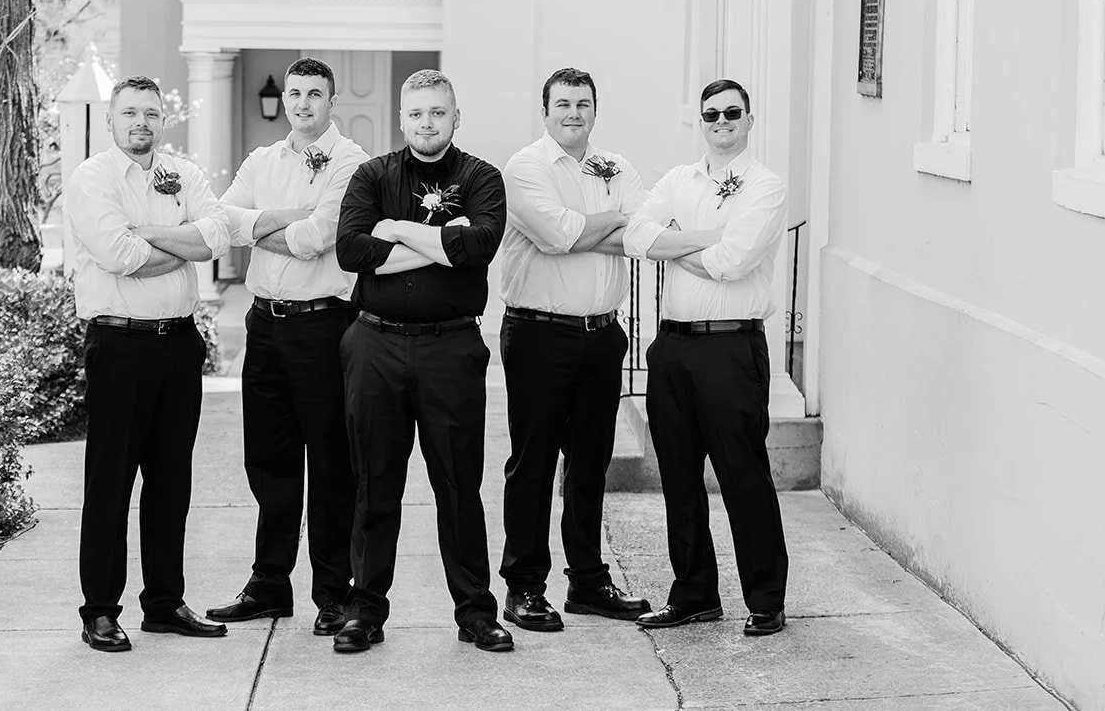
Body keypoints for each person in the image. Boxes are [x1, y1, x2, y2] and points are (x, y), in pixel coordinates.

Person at [331, 69, 515, 654]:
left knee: (459, 485)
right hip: (374, 344)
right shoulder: (371, 175)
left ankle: (475, 611)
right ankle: (364, 609)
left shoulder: (481, 177)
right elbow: (352, 251)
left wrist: (397, 234)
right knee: (373, 484)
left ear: (455, 118)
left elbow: (479, 246)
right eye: (416, 114)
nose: (427, 123)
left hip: (452, 347)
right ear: (402, 118)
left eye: (438, 113)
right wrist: (440, 243)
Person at [62, 75, 231, 652]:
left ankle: (163, 602)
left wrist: (155, 236)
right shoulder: (92, 179)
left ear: (164, 120)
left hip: (180, 345)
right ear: (111, 121)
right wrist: (178, 241)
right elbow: (119, 255)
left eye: (151, 114)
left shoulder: (184, 173)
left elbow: (216, 236)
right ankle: (101, 611)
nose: (141, 122)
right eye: (130, 112)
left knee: (170, 482)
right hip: (120, 347)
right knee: (111, 482)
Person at [207, 58, 370, 637]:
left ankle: (333, 591)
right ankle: (270, 584)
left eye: (313, 94)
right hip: (265, 328)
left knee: (330, 463)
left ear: (331, 101)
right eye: (294, 93)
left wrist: (260, 227)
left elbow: (314, 239)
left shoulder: (350, 161)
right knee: (269, 460)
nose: (300, 103)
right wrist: (278, 220)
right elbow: (222, 222)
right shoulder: (262, 160)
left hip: (323, 328)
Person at [622, 78, 790, 638]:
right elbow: (636, 237)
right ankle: (694, 594)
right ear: (701, 120)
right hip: (671, 347)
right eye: (711, 115)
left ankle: (765, 598)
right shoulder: (677, 179)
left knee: (743, 474)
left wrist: (679, 242)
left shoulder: (766, 186)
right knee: (678, 475)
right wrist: (705, 239)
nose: (721, 123)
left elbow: (734, 261)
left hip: (731, 347)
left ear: (749, 119)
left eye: (731, 114)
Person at [496, 68, 653, 633]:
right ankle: (523, 587)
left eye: (583, 103)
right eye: (562, 104)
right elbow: (555, 234)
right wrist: (609, 222)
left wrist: (589, 227)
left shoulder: (617, 167)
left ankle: (587, 581)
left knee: (590, 462)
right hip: (538, 334)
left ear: (594, 110)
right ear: (545, 111)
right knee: (533, 464)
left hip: (601, 336)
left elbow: (644, 231)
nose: (573, 113)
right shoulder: (524, 168)